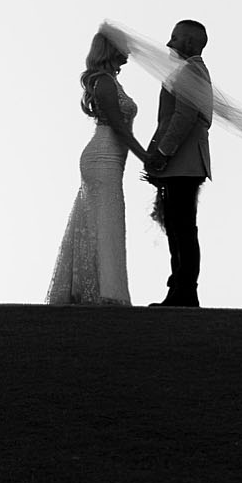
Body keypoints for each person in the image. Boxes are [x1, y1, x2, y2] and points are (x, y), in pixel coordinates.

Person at [46, 29, 150, 305]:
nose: (129, 52)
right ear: (111, 50)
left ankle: (99, 288)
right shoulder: (104, 82)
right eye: (124, 47)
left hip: (112, 158)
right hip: (102, 157)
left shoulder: (110, 82)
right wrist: (145, 156)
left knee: (103, 219)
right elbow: (117, 126)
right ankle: (107, 292)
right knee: (106, 219)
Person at [143, 17, 212, 307]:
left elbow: (182, 118)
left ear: (190, 42)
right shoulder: (192, 71)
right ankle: (181, 290)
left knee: (182, 228)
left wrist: (162, 153)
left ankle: (184, 291)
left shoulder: (190, 72)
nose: (169, 43)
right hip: (184, 162)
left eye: (175, 37)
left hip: (183, 162)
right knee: (177, 226)